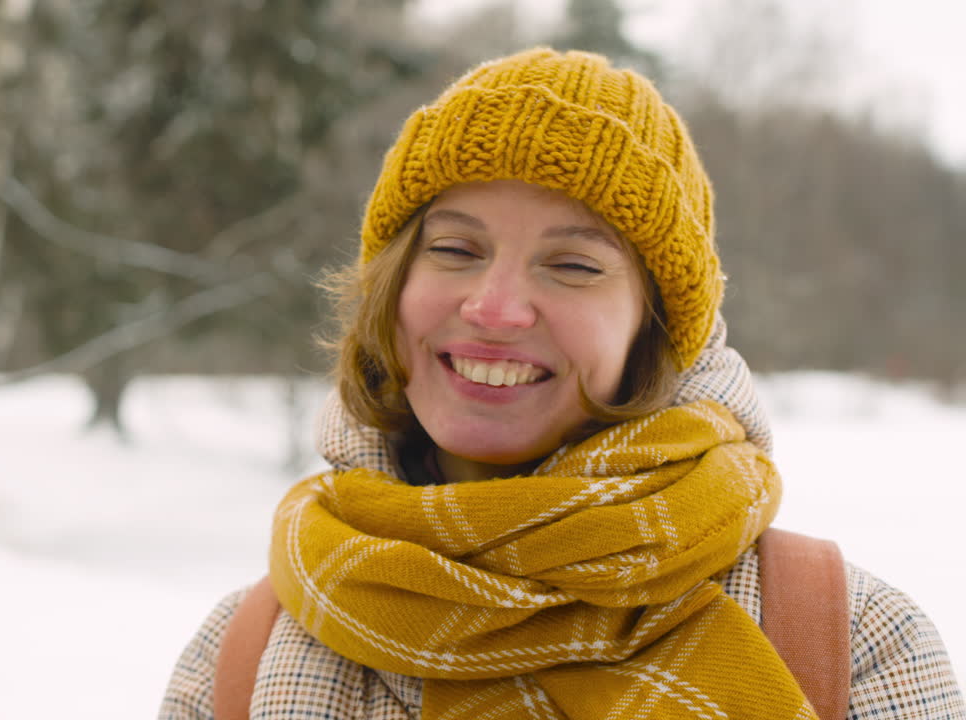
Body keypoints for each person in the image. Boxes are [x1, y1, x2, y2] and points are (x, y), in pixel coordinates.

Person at [159, 47, 964, 720]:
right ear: (394, 283)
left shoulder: (849, 643)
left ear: (652, 328)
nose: (494, 308)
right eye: (455, 250)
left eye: (573, 265)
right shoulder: (244, 656)